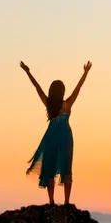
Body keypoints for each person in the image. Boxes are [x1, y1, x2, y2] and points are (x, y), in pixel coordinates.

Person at [20, 60, 91, 206]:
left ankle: (51, 201)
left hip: (51, 136)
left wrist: (28, 72)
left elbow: (37, 88)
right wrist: (85, 73)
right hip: (65, 136)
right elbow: (78, 88)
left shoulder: (49, 104)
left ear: (52, 91)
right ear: (62, 91)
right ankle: (66, 202)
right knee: (66, 167)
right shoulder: (67, 104)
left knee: (50, 168)